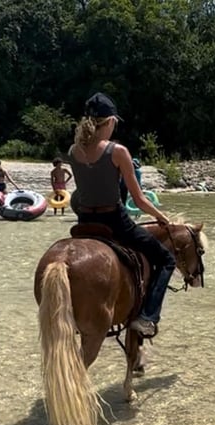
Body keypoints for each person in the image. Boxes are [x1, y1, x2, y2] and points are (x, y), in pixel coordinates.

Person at [67, 92, 175, 337]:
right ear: (111, 121)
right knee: (166, 259)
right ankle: (147, 317)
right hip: (115, 222)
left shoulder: (74, 151)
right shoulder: (118, 151)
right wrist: (162, 217)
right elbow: (138, 199)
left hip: (84, 223)